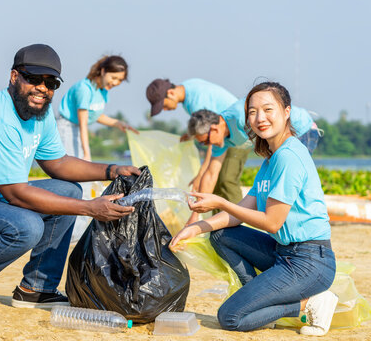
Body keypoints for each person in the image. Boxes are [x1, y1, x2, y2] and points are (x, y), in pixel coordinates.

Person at [0, 44, 140, 317]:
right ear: (14, 77)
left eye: (51, 82)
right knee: (27, 226)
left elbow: (58, 164)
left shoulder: (40, 113)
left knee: (68, 190)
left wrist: (112, 169)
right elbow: (16, 195)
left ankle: (36, 288)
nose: (42, 88)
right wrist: (92, 208)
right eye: (34, 79)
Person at [170, 81, 338, 336]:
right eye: (252, 112)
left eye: (268, 110)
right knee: (221, 235)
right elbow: (239, 212)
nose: (260, 118)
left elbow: (272, 223)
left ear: (286, 112)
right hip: (283, 253)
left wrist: (220, 202)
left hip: (309, 262)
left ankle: (308, 303)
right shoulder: (271, 160)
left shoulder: (289, 156)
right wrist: (195, 227)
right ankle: (259, 298)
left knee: (231, 317)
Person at [184, 96, 318, 223]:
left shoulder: (241, 117)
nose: (207, 145)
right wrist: (195, 216)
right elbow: (211, 174)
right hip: (279, 139)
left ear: (214, 129)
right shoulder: (221, 140)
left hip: (302, 130)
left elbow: (273, 128)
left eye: (205, 141)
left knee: (285, 180)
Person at [145, 78, 248, 204]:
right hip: (225, 136)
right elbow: (205, 128)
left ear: (171, 93)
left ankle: (235, 219)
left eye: (164, 105)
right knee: (213, 184)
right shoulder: (189, 88)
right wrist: (191, 135)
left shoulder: (196, 103)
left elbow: (211, 138)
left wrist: (200, 175)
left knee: (226, 180)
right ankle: (217, 222)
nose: (165, 110)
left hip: (236, 134)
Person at [57, 55, 138, 161]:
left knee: (82, 169)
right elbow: (83, 124)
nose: (115, 83)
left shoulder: (102, 90)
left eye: (120, 80)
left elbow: (95, 115)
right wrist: (87, 153)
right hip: (67, 128)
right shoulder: (85, 89)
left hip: (79, 129)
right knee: (72, 167)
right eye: (113, 78)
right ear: (103, 71)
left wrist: (118, 123)